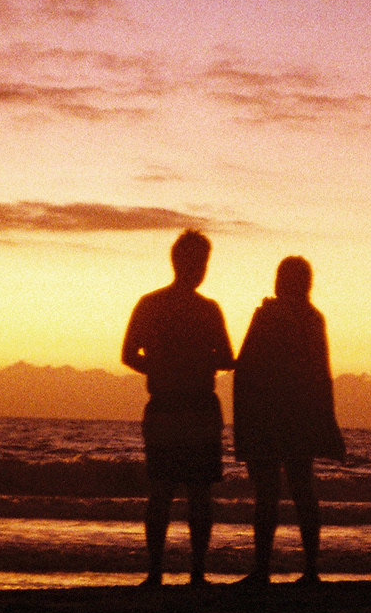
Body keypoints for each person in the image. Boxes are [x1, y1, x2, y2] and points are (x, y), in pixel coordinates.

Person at [122, 230, 235, 587]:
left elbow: (128, 355)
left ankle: (159, 572)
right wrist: (191, 365)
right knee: (194, 493)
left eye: (203, 263)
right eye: (199, 263)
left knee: (165, 491)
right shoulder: (207, 309)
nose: (200, 269)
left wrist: (160, 368)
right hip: (192, 406)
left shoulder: (150, 304)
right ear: (183, 263)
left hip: (171, 406)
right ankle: (192, 573)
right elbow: (227, 358)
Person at [230, 255, 346, 586]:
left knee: (269, 493)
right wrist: (327, 422)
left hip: (267, 415)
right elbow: (322, 375)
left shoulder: (269, 315)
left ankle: (263, 569)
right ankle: (309, 569)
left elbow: (246, 367)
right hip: (300, 416)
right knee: (302, 489)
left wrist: (244, 424)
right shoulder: (312, 318)